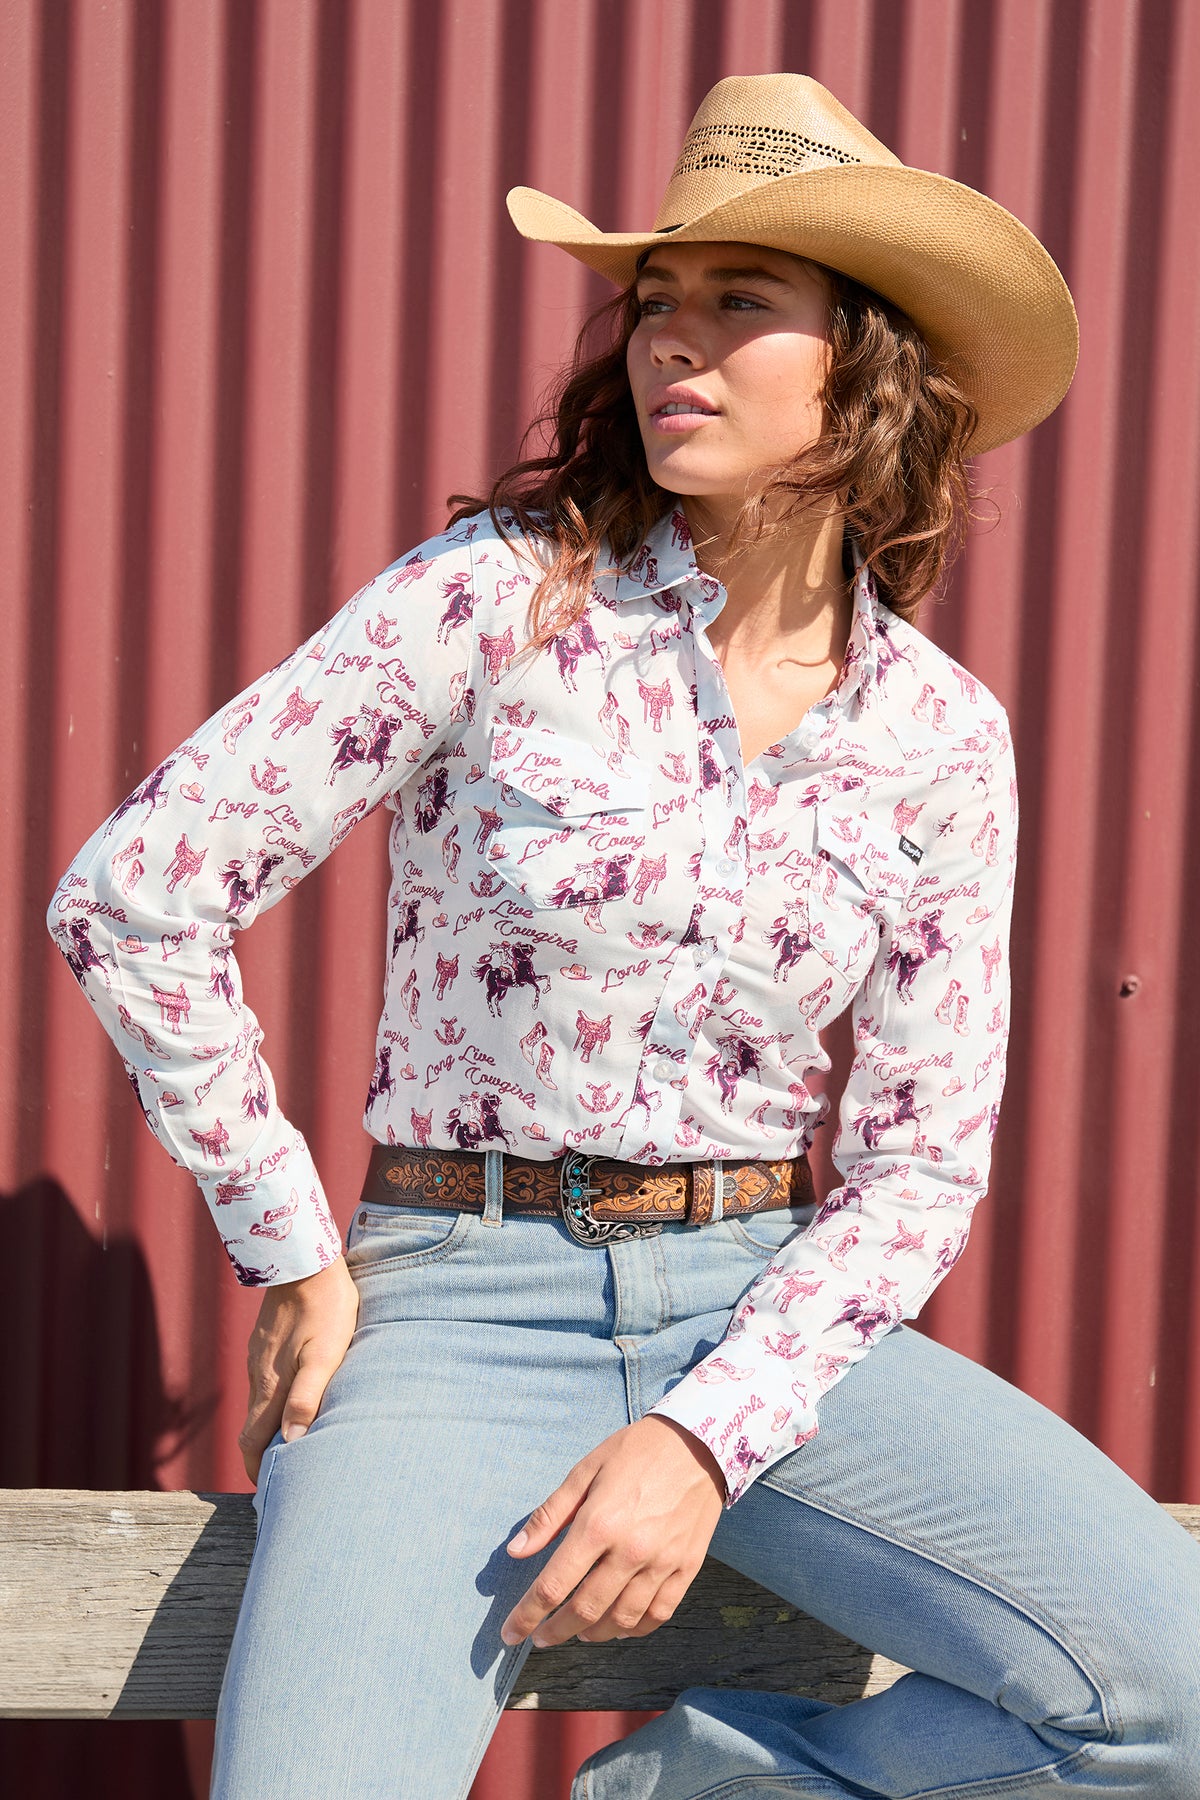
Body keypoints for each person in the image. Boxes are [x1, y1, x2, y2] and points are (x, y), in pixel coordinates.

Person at [47, 72, 1200, 1800]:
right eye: (657, 304)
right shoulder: (498, 600)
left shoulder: (943, 739)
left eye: (744, 305)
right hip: (456, 1304)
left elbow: (919, 1166)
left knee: (1176, 1698)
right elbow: (135, 893)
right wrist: (290, 1242)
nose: (676, 345)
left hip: (773, 1317)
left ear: (873, 367)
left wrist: (695, 1439)